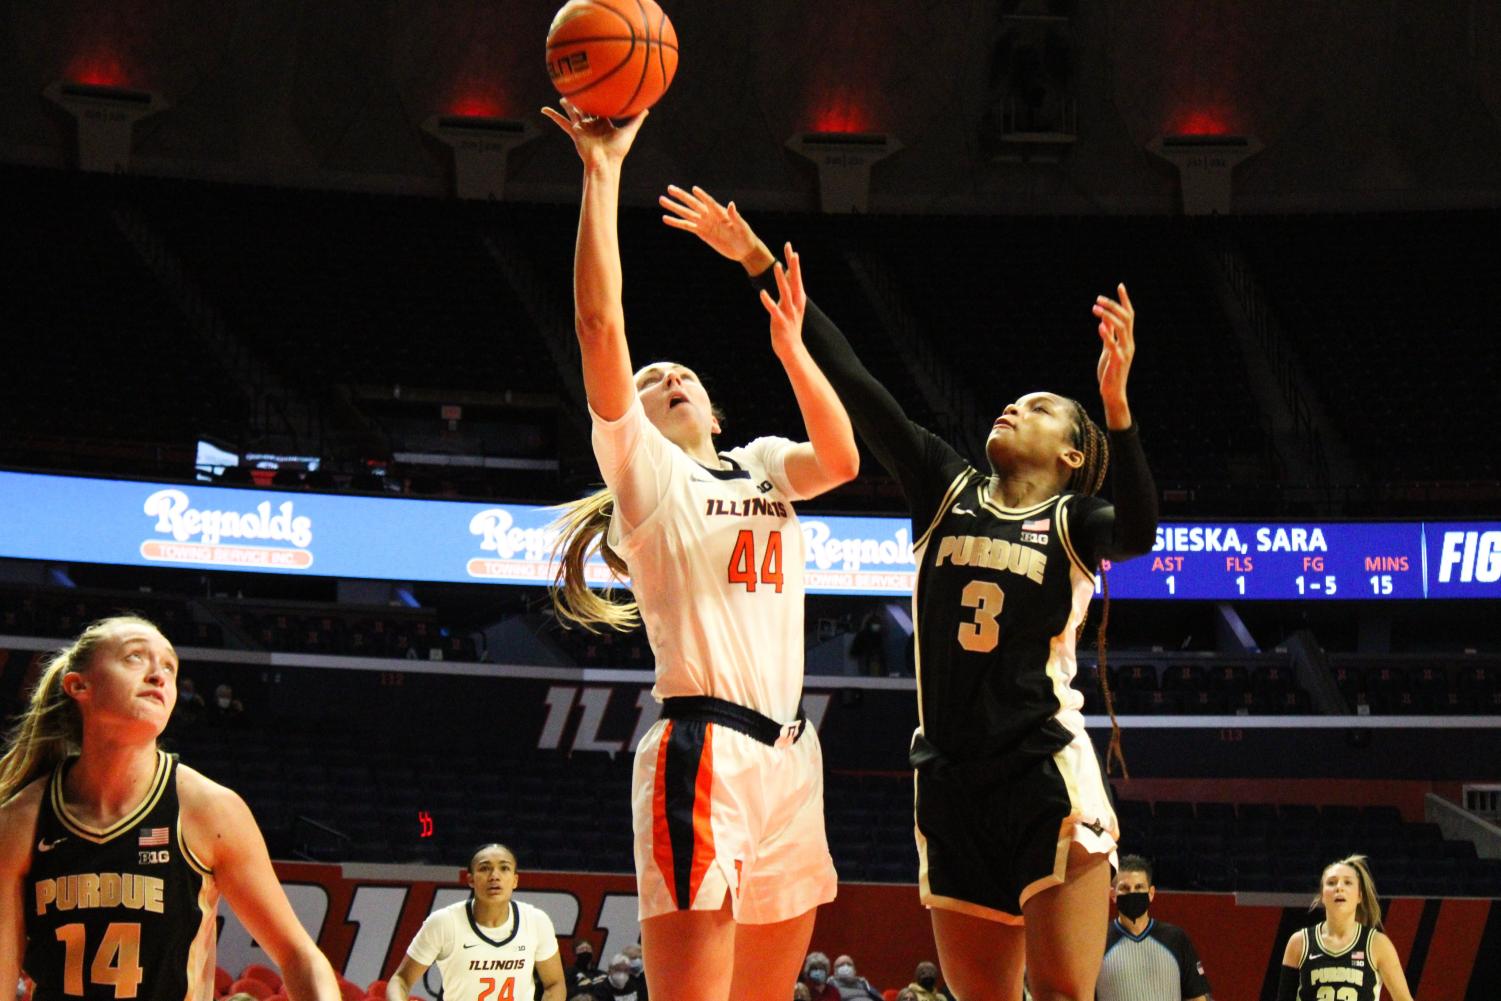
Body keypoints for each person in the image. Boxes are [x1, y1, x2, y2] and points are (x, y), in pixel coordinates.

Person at [661, 185, 1157, 1001]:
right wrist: (756, 262)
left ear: (1071, 455)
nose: (1012, 406)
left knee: (1067, 991)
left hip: (1042, 767)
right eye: (1014, 400)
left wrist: (1116, 405)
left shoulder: (1076, 519)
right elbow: (857, 381)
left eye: (1036, 408)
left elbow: (1138, 531)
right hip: (950, 777)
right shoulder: (944, 485)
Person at [541, 101, 859, 1001]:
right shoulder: (645, 479)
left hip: (794, 756)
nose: (666, 376)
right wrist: (601, 174)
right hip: (702, 748)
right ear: (628, 423)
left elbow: (840, 459)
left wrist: (795, 351)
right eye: (650, 382)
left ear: (713, 409)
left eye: (681, 374)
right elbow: (601, 330)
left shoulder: (758, 460)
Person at [0, 616, 338, 1001]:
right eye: (134, 658)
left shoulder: (210, 810)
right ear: (79, 685)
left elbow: (299, 956)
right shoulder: (21, 820)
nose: (158, 675)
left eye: (169, 667)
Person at [385, 844, 566, 1001]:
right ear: (470, 879)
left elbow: (555, 984)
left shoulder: (536, 921)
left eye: (504, 868)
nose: (495, 876)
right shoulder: (444, 923)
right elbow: (400, 980)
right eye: (485, 868)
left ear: (515, 880)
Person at [1277, 855, 1414, 1001]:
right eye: (1331, 882)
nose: (1339, 887)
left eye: (1347, 882)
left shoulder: (1377, 944)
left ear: (1359, 896)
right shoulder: (1299, 943)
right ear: (1323, 895)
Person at [1096, 855, 1210, 1001]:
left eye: (1139, 887)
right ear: (1113, 894)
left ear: (1151, 893)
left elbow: (1197, 997)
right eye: (1125, 888)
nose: (1132, 893)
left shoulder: (1176, 939)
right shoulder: (1098, 942)